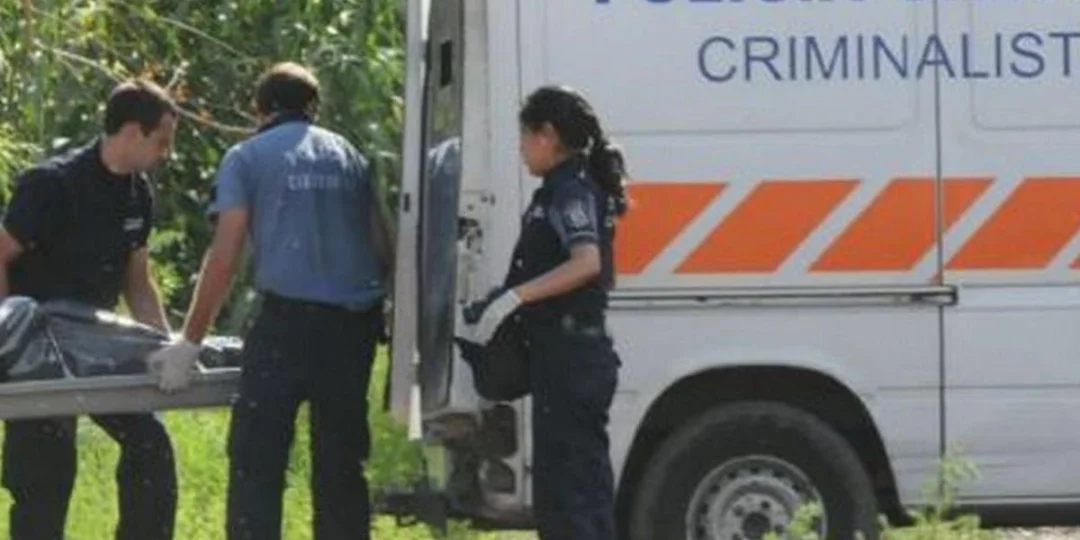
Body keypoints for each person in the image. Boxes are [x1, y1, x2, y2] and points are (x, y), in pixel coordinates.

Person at [146, 62, 392, 540]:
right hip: (353, 328)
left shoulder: (247, 157)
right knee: (341, 463)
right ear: (313, 108)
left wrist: (190, 341)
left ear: (259, 109)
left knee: (256, 459)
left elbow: (225, 255)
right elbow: (381, 242)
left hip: (287, 326)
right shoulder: (348, 154)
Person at [0, 79, 179, 540]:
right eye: (162, 141)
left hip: (98, 349)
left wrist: (167, 348)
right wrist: (9, 341)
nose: (168, 153)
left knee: (152, 446)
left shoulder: (139, 193)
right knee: (46, 478)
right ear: (133, 132)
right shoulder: (52, 184)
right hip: (37, 352)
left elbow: (138, 282)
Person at [459, 85, 628, 540]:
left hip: (573, 359)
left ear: (547, 135)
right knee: (561, 493)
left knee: (574, 496)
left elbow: (586, 262)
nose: (520, 147)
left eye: (524, 136)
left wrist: (517, 297)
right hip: (560, 358)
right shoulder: (556, 190)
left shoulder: (571, 191)